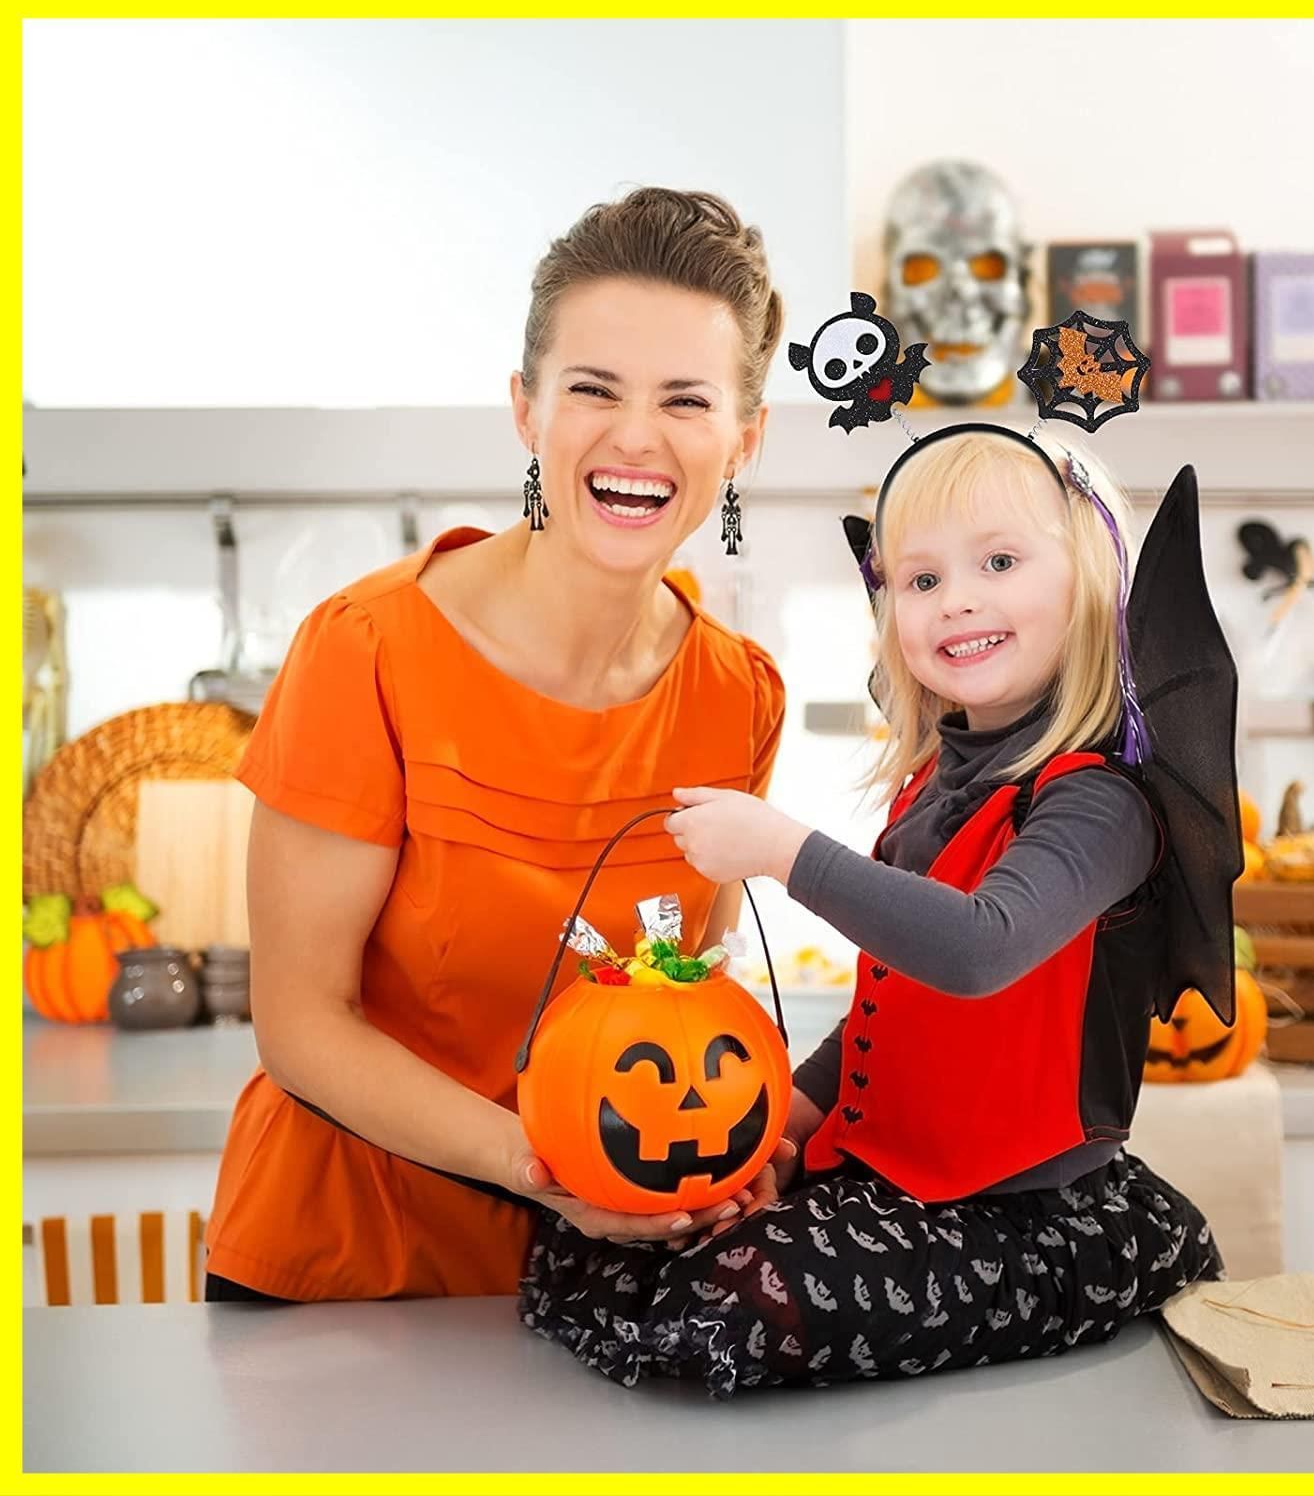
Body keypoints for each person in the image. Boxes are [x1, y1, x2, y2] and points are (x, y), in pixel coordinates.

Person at [519, 421, 1226, 1395]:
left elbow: (980, 951)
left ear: (1092, 580)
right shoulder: (936, 785)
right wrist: (787, 1126)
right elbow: (890, 1006)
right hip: (890, 1178)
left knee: (732, 1296)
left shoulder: (1099, 802)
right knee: (600, 1245)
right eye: (920, 579)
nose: (956, 599)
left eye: (1001, 561)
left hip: (1024, 1217)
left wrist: (783, 852)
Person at [204, 187, 789, 1302]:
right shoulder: (366, 650)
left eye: (685, 400)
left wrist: (748, 1139)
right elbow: (300, 1023)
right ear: (527, 409)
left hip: (594, 1283)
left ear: (744, 439)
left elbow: (674, 985)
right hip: (344, 1263)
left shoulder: (737, 694)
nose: (634, 436)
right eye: (592, 389)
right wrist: (548, 1165)